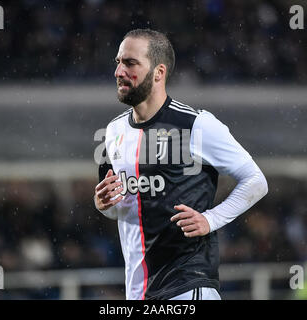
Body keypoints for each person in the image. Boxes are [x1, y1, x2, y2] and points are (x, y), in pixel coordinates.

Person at [94, 29, 268, 300]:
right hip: (139, 291)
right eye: (118, 62)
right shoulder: (114, 131)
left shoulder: (196, 125)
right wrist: (104, 206)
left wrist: (210, 219)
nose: (119, 71)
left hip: (187, 285)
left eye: (130, 63)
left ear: (158, 72)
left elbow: (256, 180)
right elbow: (124, 207)